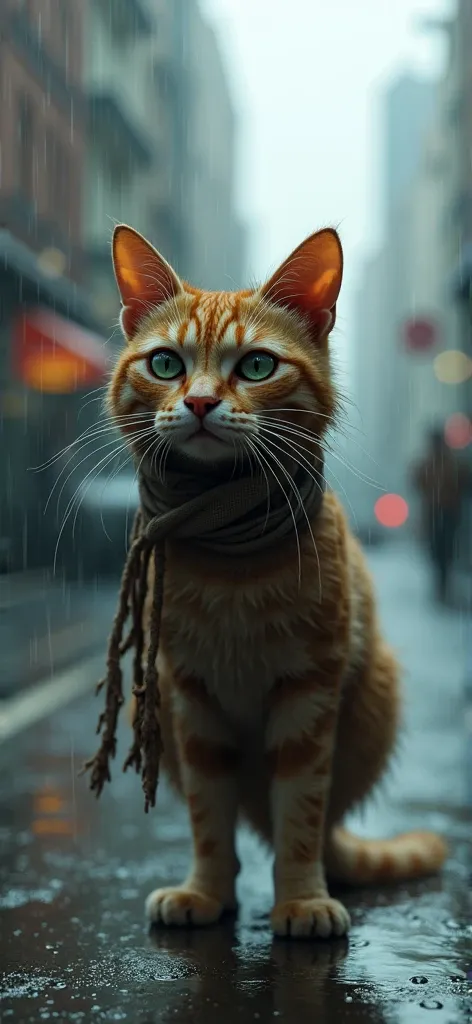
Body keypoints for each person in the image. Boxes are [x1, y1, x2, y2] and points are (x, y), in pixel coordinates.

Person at [412, 427, 470, 604]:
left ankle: (443, 587)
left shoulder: (448, 463)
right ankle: (441, 587)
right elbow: (418, 482)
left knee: (444, 551)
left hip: (447, 512)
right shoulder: (432, 463)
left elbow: (464, 482)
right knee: (439, 551)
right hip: (438, 513)